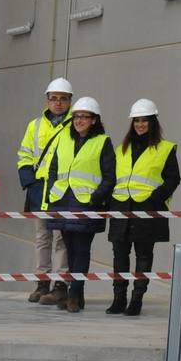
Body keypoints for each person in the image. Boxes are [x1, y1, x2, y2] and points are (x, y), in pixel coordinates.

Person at [40, 96, 115, 313]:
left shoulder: (102, 142)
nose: (79, 120)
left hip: (86, 204)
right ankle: (77, 295)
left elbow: (109, 176)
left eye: (84, 117)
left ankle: (73, 295)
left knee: (81, 249)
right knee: (70, 249)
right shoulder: (65, 139)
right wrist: (54, 189)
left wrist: (95, 197)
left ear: (94, 120)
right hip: (62, 201)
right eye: (76, 116)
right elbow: (53, 169)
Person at [107, 99, 179, 316]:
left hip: (148, 209)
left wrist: (155, 200)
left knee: (144, 254)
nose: (139, 124)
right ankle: (119, 299)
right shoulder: (121, 149)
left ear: (153, 122)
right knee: (119, 254)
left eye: (144, 120)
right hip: (121, 207)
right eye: (136, 120)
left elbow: (173, 179)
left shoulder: (165, 148)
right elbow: (113, 178)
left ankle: (136, 300)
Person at [18, 77, 74, 302]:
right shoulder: (35, 125)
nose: (58, 103)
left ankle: (60, 284)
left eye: (63, 99)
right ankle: (42, 283)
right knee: (42, 237)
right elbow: (24, 154)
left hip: (62, 189)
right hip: (39, 189)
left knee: (62, 238)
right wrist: (30, 182)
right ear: (47, 100)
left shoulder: (75, 124)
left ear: (70, 101)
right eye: (54, 99)